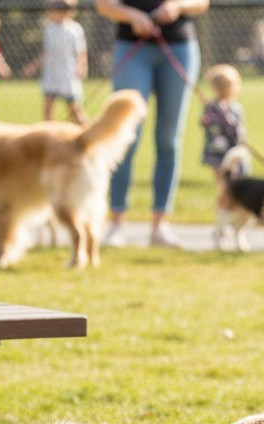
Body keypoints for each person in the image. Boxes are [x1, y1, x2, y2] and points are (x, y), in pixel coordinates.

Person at [95, 0, 210, 249]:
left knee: (169, 140)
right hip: (132, 48)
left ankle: (160, 225)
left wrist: (178, 6)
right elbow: (103, 5)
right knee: (125, 137)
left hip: (178, 47)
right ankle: (115, 223)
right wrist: (132, 15)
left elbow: (202, 3)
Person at [22, 0, 89, 124]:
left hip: (68, 73)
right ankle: (49, 135)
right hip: (51, 74)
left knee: (74, 109)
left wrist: (82, 68)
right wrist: (33, 67)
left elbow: (81, 52)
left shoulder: (74, 29)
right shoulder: (49, 29)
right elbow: (46, 52)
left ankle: (86, 130)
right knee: (48, 108)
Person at [201, 64, 248, 195]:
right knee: (221, 178)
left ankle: (235, 198)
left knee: (239, 175)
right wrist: (206, 120)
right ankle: (224, 198)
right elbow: (207, 122)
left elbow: (238, 127)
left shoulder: (235, 107)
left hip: (234, 145)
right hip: (217, 148)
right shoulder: (211, 107)